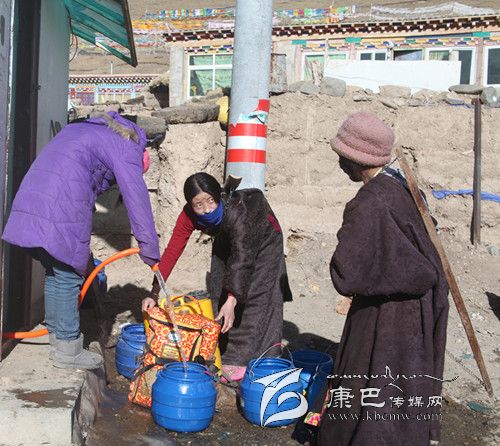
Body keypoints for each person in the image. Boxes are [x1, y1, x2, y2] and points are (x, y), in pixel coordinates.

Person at [317, 112, 449, 446]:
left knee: (371, 380)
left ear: (355, 159)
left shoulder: (369, 202)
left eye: (341, 156)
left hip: (383, 315)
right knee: (402, 383)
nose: (339, 163)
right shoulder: (402, 187)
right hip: (417, 309)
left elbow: (347, 273)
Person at [2, 111, 161, 370]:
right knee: (68, 275)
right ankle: (68, 349)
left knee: (55, 271)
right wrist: (149, 248)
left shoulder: (89, 130)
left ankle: (58, 339)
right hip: (63, 201)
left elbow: (78, 170)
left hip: (36, 194)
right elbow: (137, 197)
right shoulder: (128, 146)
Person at [142, 172, 292, 380]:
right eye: (198, 205)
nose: (207, 210)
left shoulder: (238, 211)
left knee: (257, 296)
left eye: (210, 201)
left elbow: (242, 258)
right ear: (191, 205)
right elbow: (172, 252)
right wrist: (154, 292)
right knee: (218, 288)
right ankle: (224, 351)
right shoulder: (188, 216)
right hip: (227, 237)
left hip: (263, 239)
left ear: (218, 196)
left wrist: (232, 299)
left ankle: (256, 359)